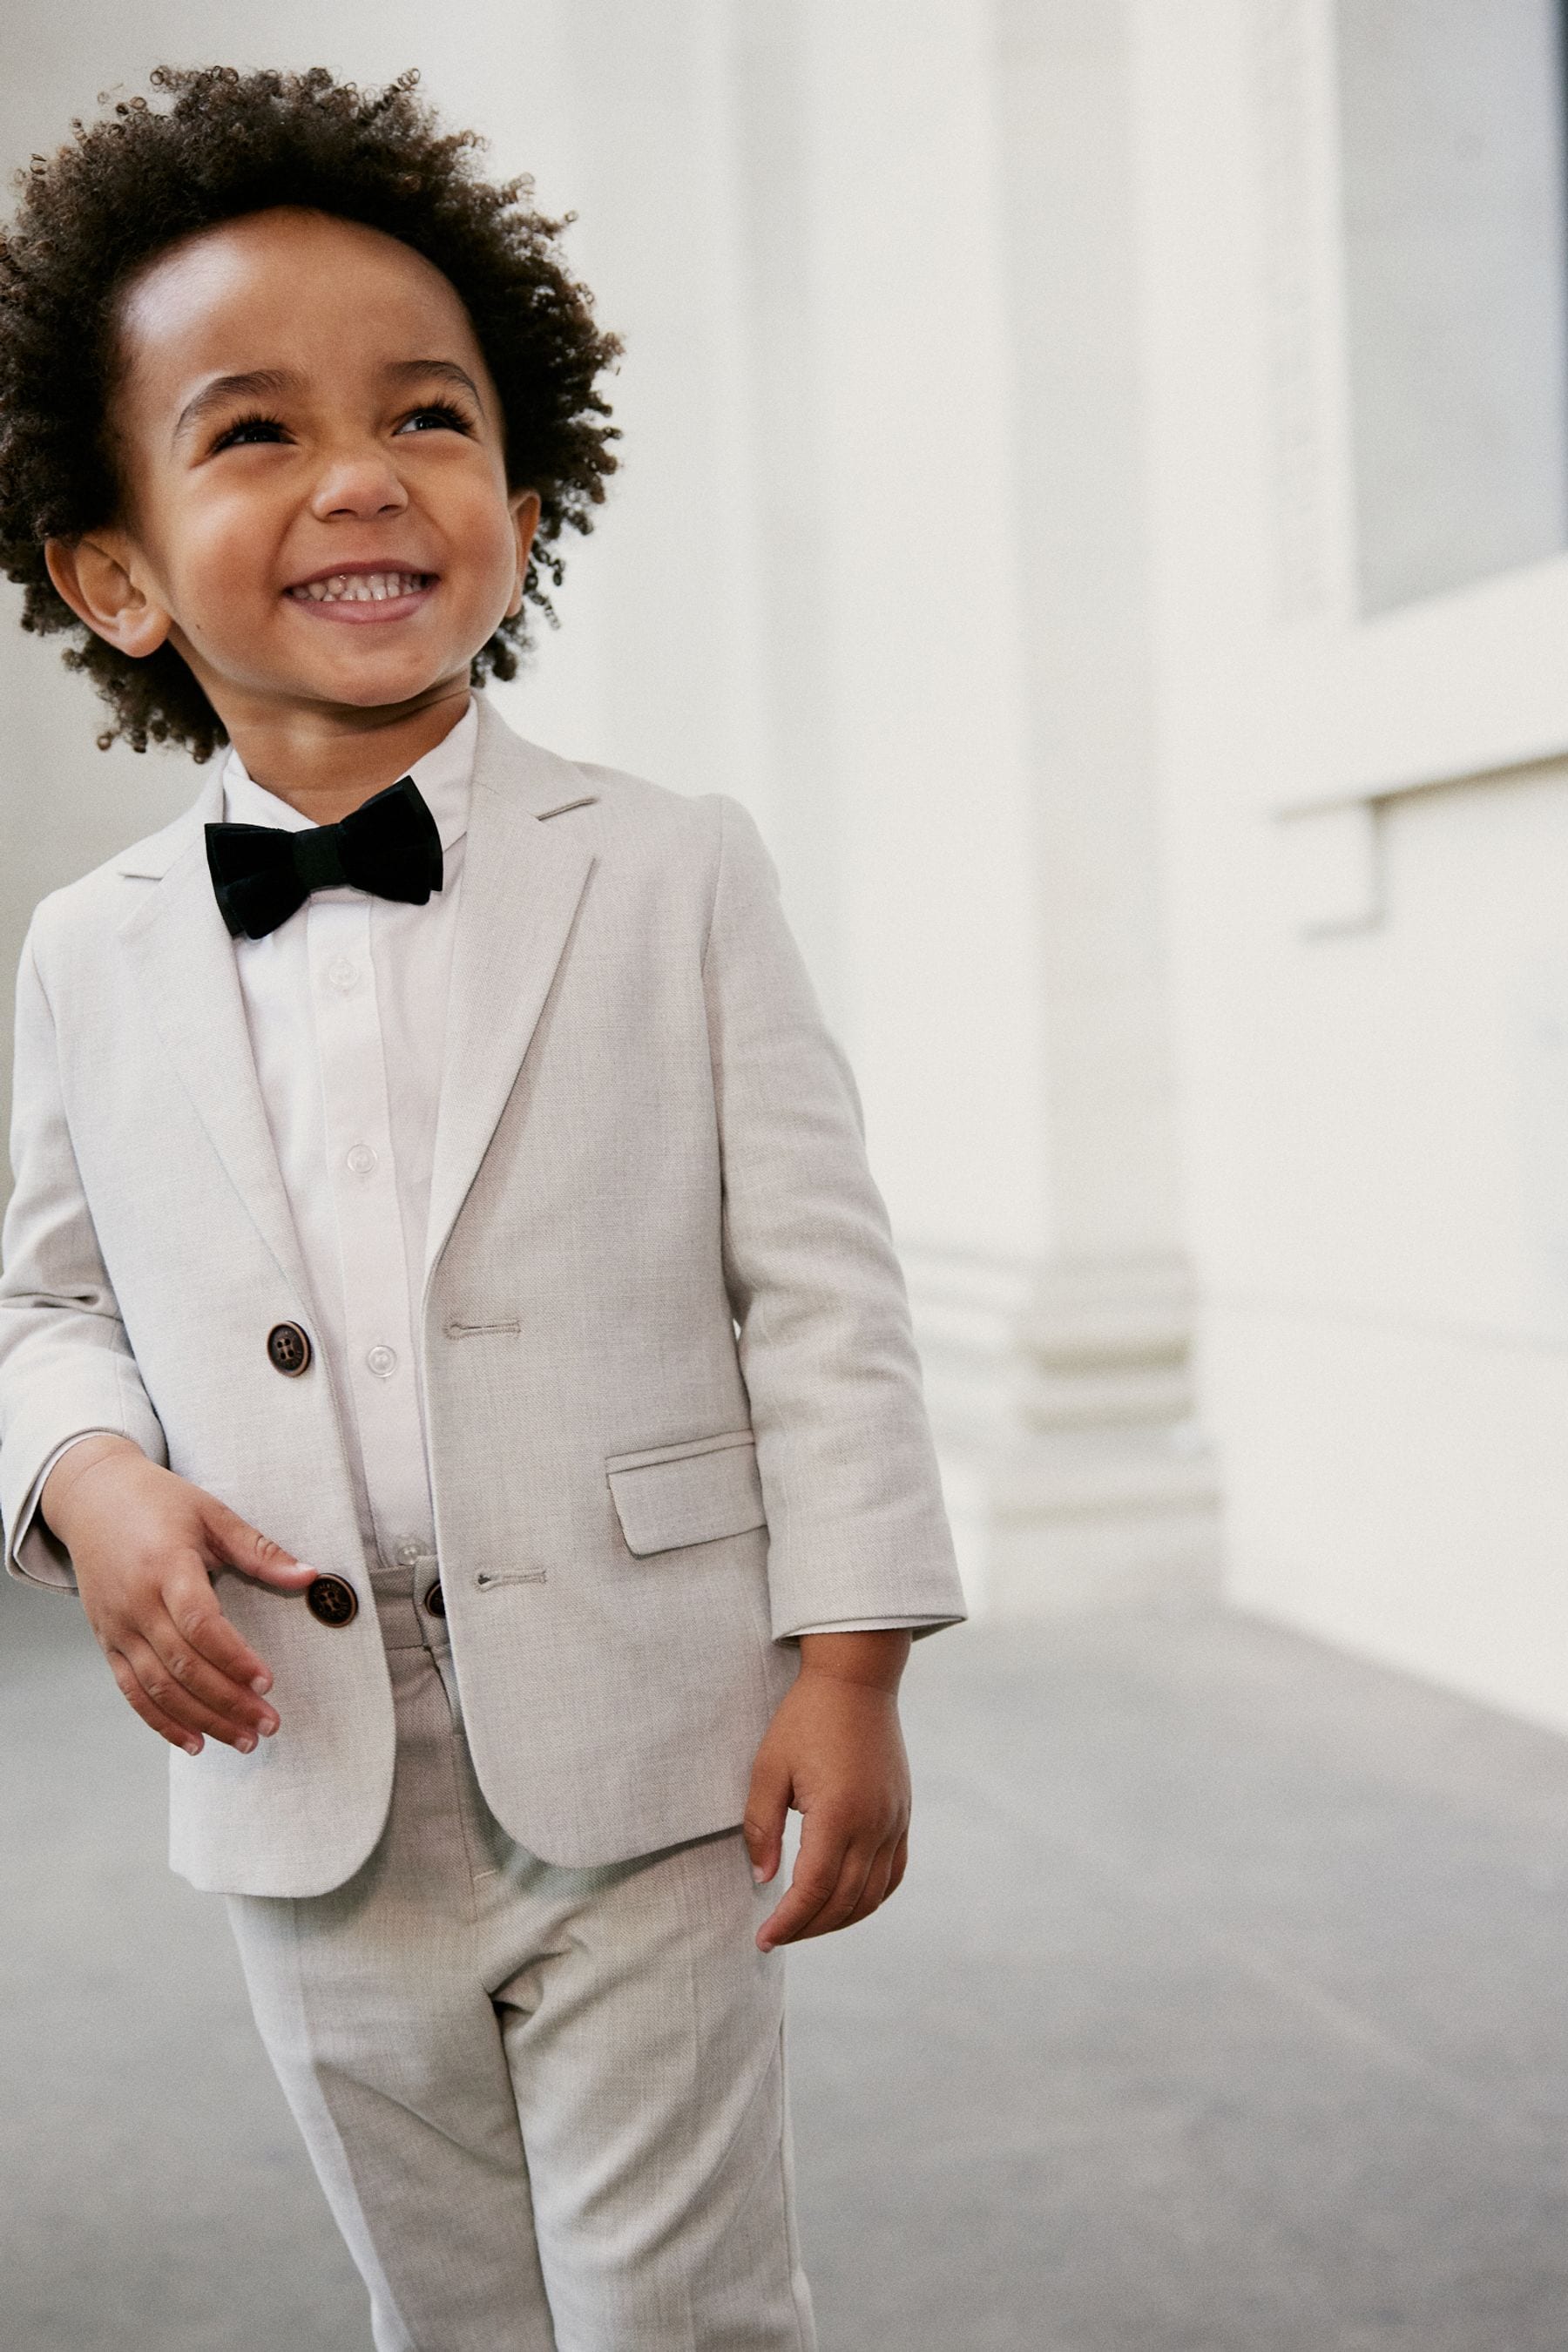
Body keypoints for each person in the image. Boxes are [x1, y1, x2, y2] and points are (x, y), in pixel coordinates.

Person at [0, 64, 964, 2352]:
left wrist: (855, 1660)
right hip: (299, 1758)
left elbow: (820, 1288)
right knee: (438, 2301)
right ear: (114, 571)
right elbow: (40, 1295)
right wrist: (87, 1474)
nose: (363, 474)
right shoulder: (88, 944)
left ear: (523, 496)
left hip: (647, 1733)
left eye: (429, 416)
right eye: (252, 432)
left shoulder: (671, 863)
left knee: (675, 2305)